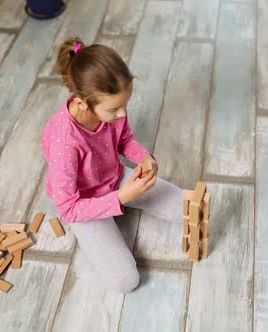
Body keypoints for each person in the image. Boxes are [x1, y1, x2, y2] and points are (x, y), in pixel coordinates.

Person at [41, 37, 182, 293]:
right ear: (83, 102)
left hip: (112, 178)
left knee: (184, 205)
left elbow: (124, 140)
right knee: (126, 281)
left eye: (125, 104)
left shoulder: (110, 110)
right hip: (83, 203)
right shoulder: (66, 142)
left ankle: (123, 197)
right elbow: (68, 209)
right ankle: (91, 233)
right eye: (114, 109)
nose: (123, 114)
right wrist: (123, 197)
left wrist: (142, 157)